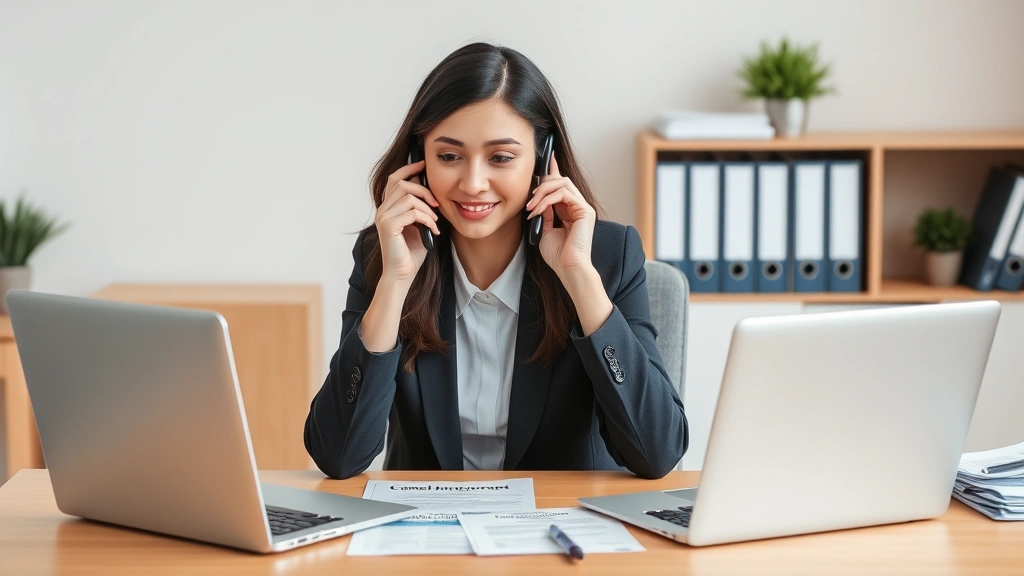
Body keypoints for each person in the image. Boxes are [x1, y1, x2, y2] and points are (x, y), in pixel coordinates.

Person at [304, 42, 687, 480]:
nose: (473, 183)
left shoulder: (607, 256)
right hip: (426, 536)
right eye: (449, 156)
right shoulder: (387, 253)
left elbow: (658, 452)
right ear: (419, 161)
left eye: (501, 157)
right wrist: (394, 284)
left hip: (563, 530)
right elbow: (338, 456)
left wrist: (579, 277)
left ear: (543, 160)